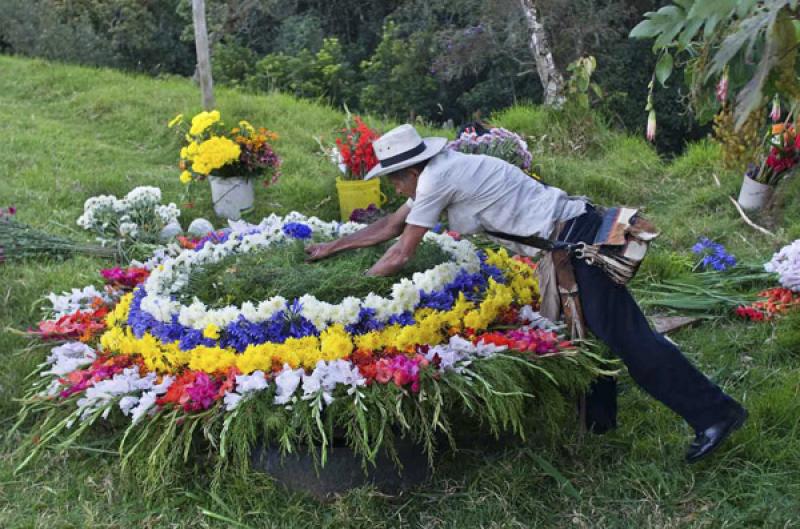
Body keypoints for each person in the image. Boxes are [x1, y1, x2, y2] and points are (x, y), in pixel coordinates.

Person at [306, 124, 747, 463]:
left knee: (630, 338)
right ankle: (598, 421)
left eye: (393, 179)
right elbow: (389, 224)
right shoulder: (440, 171)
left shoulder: (436, 180)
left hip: (575, 244)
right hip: (572, 234)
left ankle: (714, 414)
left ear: (411, 171)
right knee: (588, 333)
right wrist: (332, 248)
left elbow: (401, 252)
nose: (393, 188)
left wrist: (362, 286)